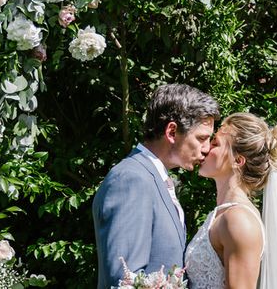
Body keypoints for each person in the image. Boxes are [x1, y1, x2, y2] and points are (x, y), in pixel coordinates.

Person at [93, 83, 219, 289]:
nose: (207, 149)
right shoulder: (132, 180)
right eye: (201, 138)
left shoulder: (153, 178)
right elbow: (125, 279)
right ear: (171, 132)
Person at [184, 113, 277, 289]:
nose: (206, 148)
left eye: (215, 144)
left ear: (238, 160)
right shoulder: (222, 214)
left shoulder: (238, 220)